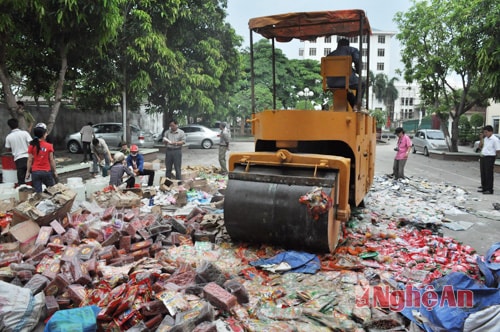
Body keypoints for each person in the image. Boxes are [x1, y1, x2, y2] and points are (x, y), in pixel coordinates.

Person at [326, 38, 365, 111]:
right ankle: (357, 106)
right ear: (347, 44)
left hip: (331, 83)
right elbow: (358, 61)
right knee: (362, 84)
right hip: (346, 81)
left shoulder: (330, 55)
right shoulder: (352, 50)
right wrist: (358, 71)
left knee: (347, 92)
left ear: (338, 45)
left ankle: (354, 107)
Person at [26, 123, 57, 193]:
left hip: (35, 172)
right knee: (52, 191)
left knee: (38, 193)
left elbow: (30, 160)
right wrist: (54, 171)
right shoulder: (49, 146)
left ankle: (40, 203)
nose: (46, 135)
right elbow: (51, 160)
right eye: (46, 133)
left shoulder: (32, 145)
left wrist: (28, 172)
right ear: (43, 135)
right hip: (46, 171)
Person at [5, 118, 32, 186]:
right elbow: (32, 144)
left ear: (9, 126)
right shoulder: (25, 133)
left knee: (21, 181)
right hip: (28, 158)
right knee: (35, 176)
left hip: (18, 160)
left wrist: (14, 148)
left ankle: (23, 194)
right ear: (18, 124)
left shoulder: (9, 137)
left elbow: (8, 149)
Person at [478, 125, 500, 195]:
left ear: (491, 132)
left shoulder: (495, 140)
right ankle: (484, 187)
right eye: (484, 132)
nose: (485, 134)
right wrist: (481, 138)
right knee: (483, 173)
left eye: (486, 132)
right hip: (483, 156)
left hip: (490, 157)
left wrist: (496, 158)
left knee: (488, 174)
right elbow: (480, 146)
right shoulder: (485, 139)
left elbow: (498, 150)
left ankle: (489, 189)